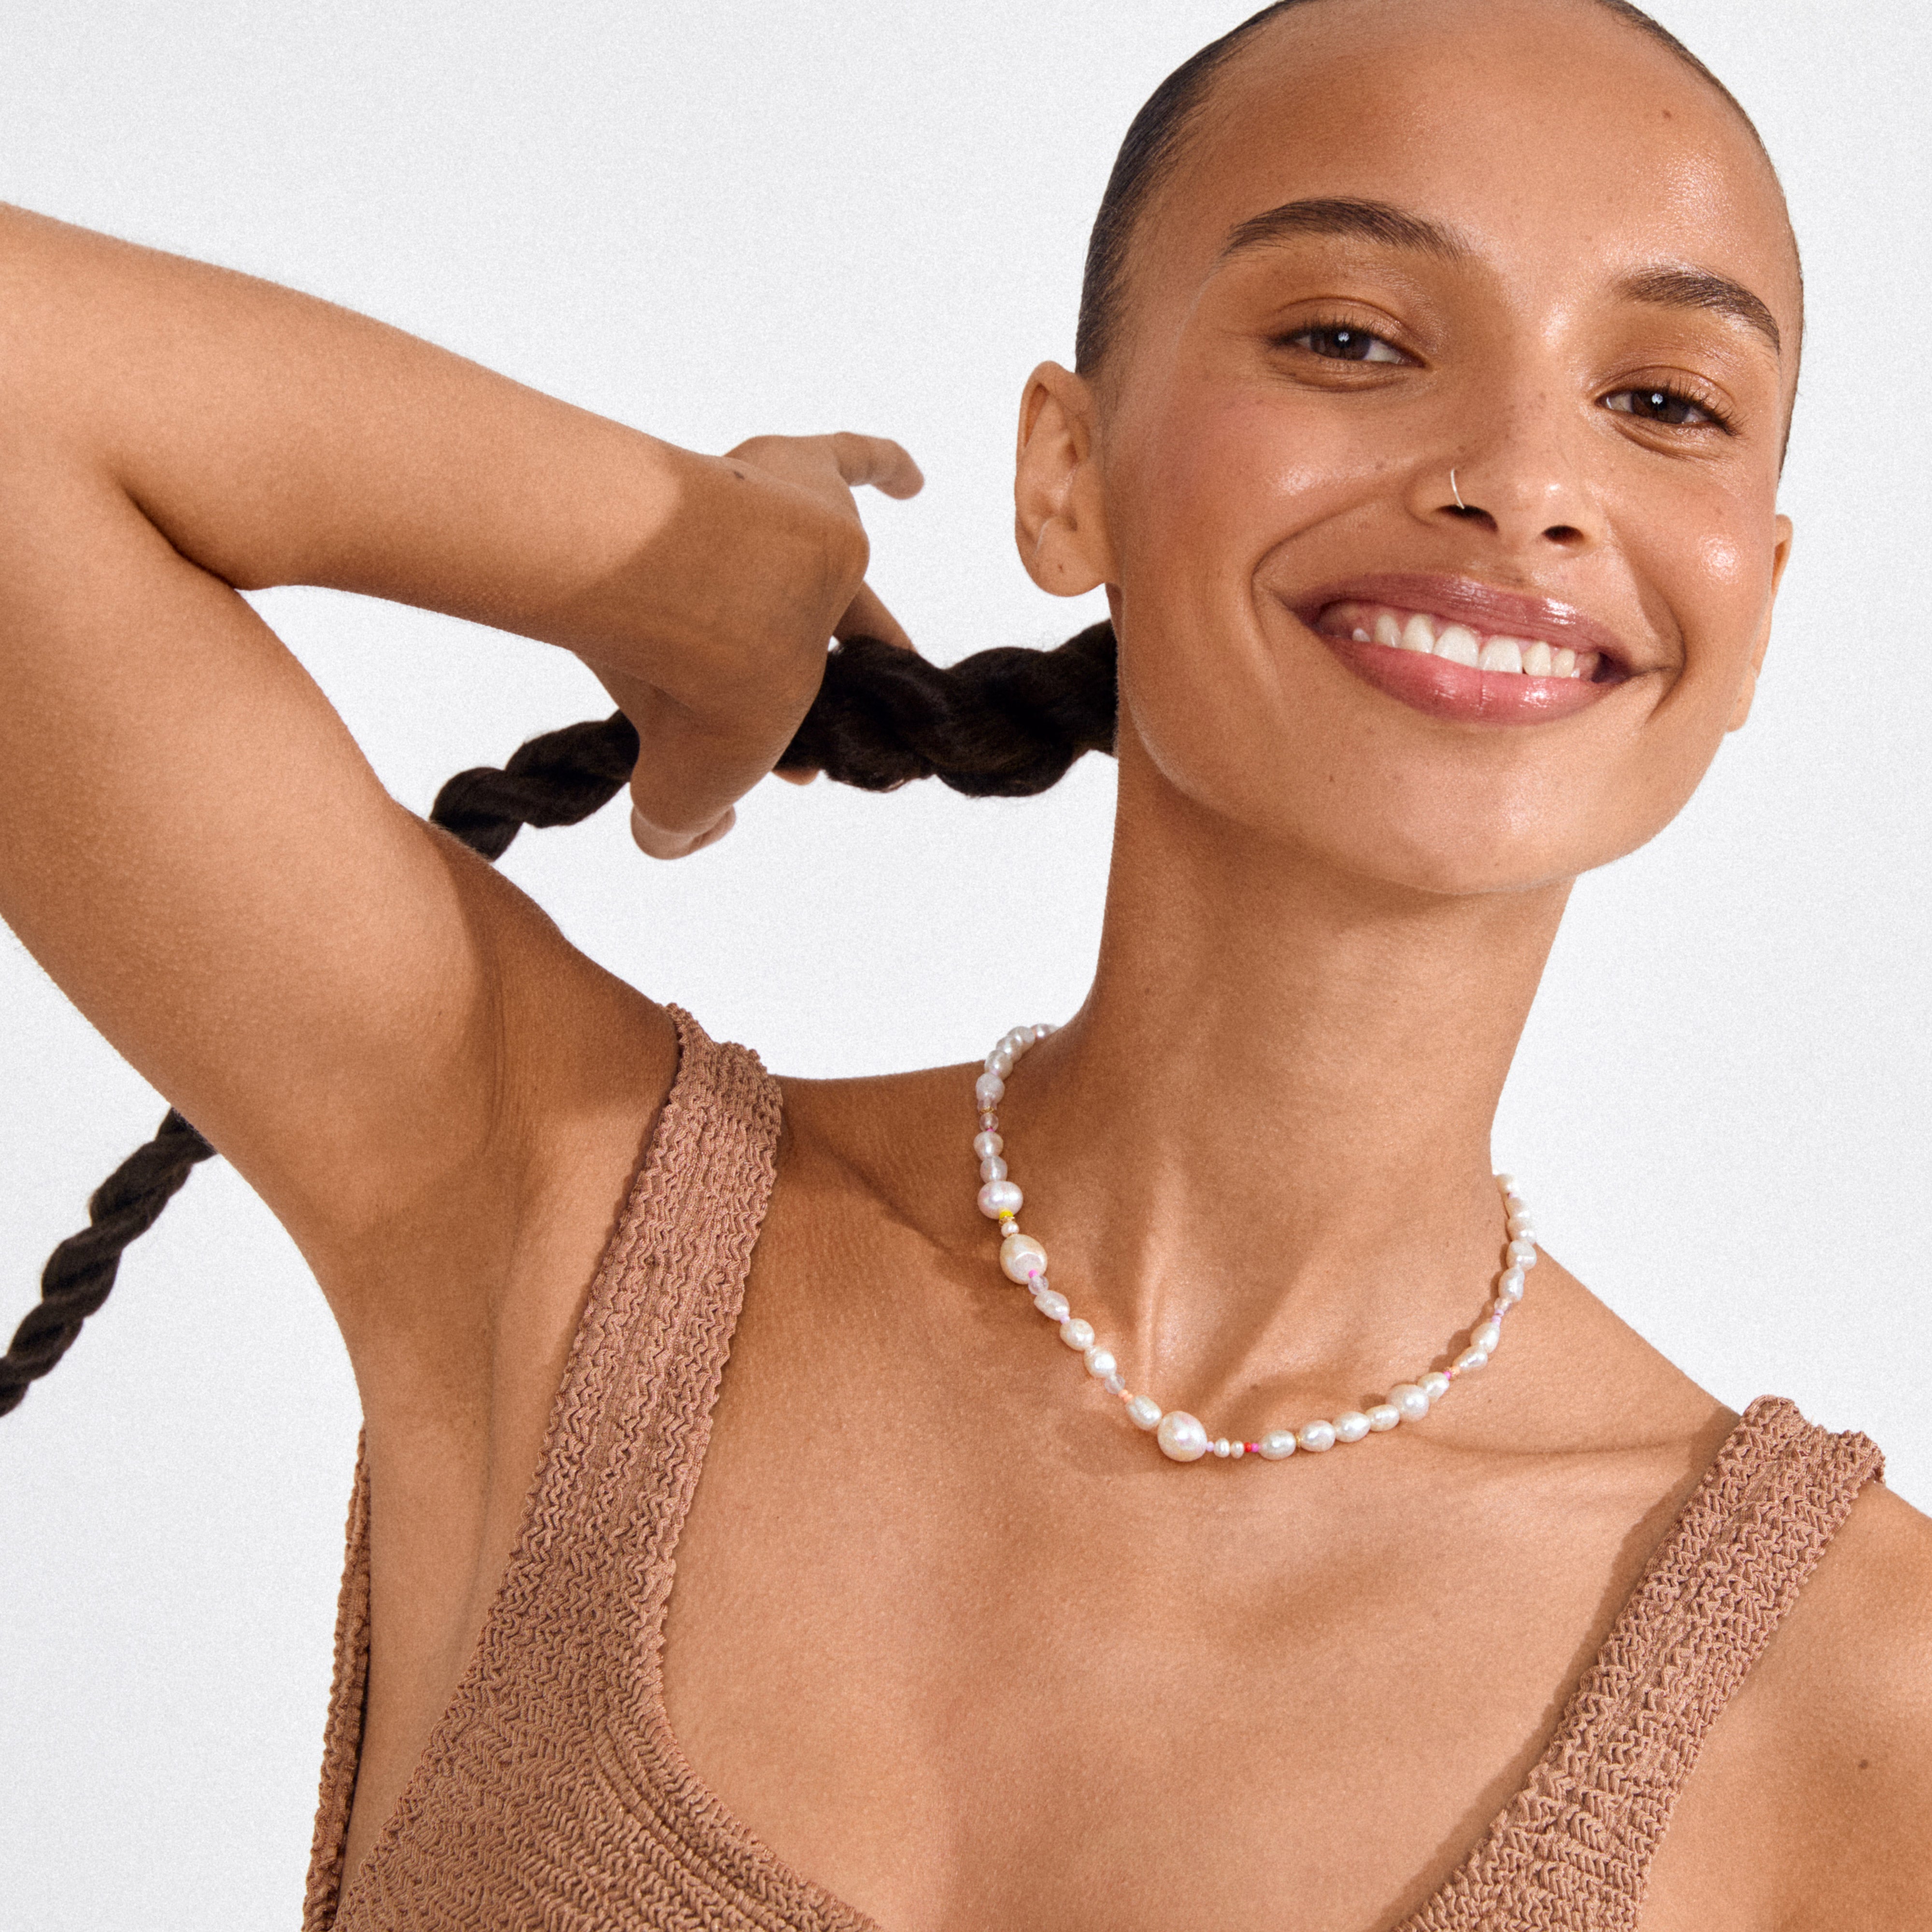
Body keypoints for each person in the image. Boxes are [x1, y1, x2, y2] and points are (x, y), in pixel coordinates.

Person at [1, 0, 1927, 1923]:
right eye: (1348, 339)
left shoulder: (1861, 1702)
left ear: (1754, 599)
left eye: (1664, 401)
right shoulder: (557, 1220)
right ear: (1066, 476)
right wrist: (656, 545)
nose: (1519, 477)